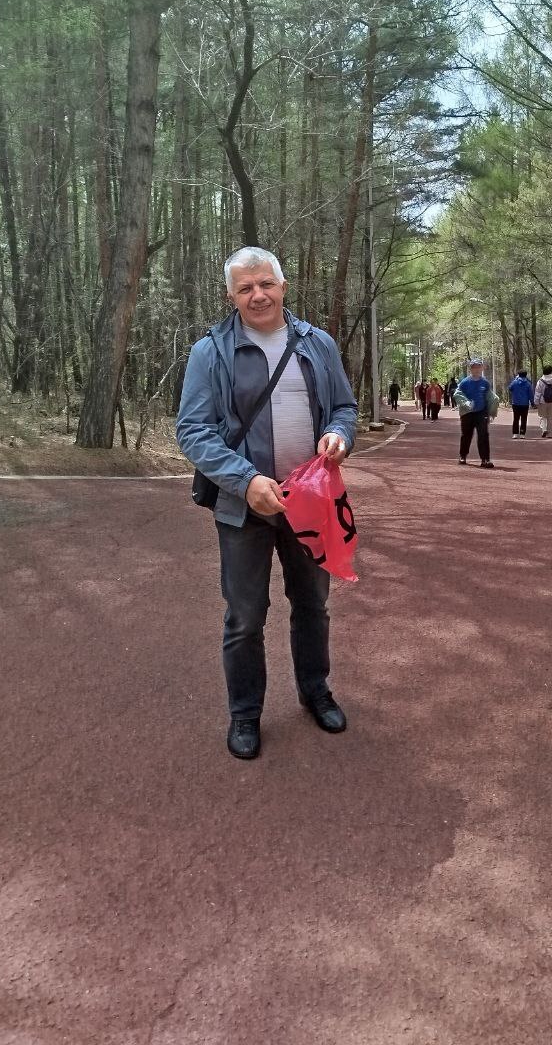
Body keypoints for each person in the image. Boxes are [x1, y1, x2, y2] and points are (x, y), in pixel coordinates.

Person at [176, 246, 358, 762]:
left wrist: (340, 435)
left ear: (283, 286)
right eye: (245, 288)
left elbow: (343, 407)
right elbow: (193, 431)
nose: (258, 295)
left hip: (309, 503)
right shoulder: (210, 352)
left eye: (266, 284)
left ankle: (315, 692)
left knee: (313, 604)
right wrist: (246, 479)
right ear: (231, 296)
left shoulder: (317, 343)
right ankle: (245, 714)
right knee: (245, 616)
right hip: (244, 507)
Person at [454, 357, 495, 469]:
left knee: (483, 435)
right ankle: (463, 456)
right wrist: (466, 403)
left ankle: (485, 459)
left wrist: (491, 412)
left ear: (482, 368)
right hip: (467, 413)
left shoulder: (485, 383)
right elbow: (457, 394)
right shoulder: (464, 382)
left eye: (478, 367)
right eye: (474, 367)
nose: (476, 369)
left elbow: (490, 398)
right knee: (466, 435)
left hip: (481, 412)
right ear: (470, 369)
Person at [534, 365, 552, 436]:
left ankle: (544, 429)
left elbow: (538, 392)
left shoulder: (540, 380)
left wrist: (536, 402)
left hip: (542, 401)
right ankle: (550, 433)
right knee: (551, 417)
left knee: (543, 416)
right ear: (551, 371)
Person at [508, 369, 534, 438]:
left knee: (516, 419)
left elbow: (510, 388)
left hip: (515, 403)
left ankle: (515, 433)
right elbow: (531, 394)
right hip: (525, 404)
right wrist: (532, 402)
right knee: (524, 419)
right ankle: (522, 433)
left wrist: (515, 379)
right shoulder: (528, 384)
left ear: (518, 375)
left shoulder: (515, 382)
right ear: (526, 375)